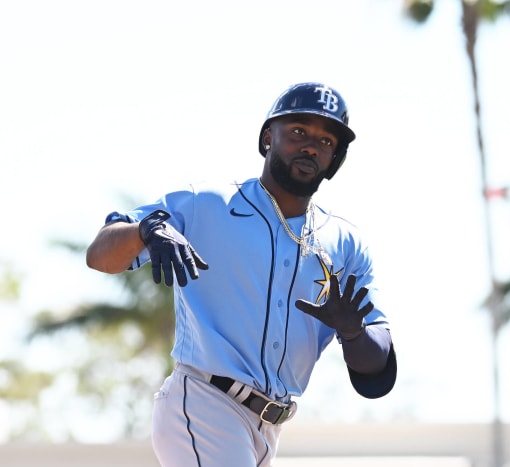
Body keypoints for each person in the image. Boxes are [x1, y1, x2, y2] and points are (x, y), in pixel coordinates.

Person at [85, 82, 397, 467]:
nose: (311, 146)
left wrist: (353, 332)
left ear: (335, 159)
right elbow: (100, 255)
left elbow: (377, 368)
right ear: (268, 137)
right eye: (298, 131)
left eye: (326, 140)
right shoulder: (208, 203)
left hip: (268, 428)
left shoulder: (345, 244)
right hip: (204, 403)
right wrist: (145, 229)